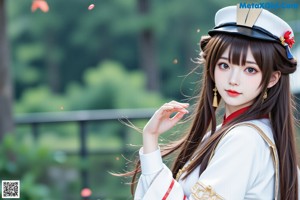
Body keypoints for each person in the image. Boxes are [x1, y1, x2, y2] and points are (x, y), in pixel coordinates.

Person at [123, 4, 299, 199]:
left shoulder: (243, 139)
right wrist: (150, 136)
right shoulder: (241, 133)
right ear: (212, 68)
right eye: (224, 65)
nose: (233, 79)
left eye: (250, 69)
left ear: (272, 78)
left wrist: (151, 141)